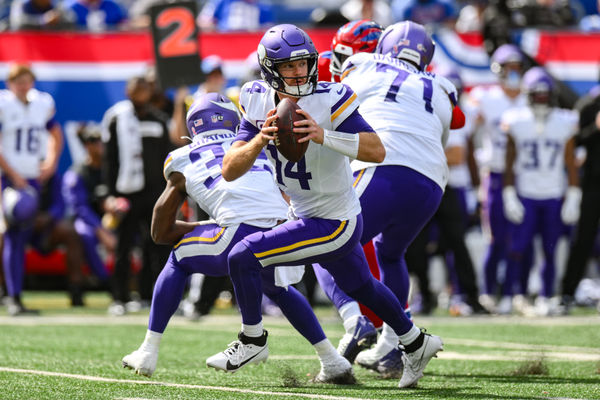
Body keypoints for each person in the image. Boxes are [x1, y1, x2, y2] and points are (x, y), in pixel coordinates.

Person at [207, 24, 443, 389]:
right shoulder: (254, 96)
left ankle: (253, 340)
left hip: (335, 219)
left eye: (304, 63)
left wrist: (324, 135)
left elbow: (376, 150)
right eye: (289, 66)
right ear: (270, 68)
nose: (300, 72)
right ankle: (415, 341)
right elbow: (229, 168)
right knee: (361, 285)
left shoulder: (332, 96)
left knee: (242, 256)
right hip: (305, 211)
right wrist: (260, 139)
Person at [122, 93, 354, 383]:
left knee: (179, 257)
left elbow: (160, 230)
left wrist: (199, 225)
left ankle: (148, 350)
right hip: (281, 229)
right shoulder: (253, 145)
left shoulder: (180, 158)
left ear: (193, 127)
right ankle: (332, 360)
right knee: (276, 286)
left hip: (237, 233)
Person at [333, 21, 461, 374]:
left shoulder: (364, 65)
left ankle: (353, 320)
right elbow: (442, 135)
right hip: (430, 183)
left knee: (324, 241)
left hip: (384, 166)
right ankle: (392, 347)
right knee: (391, 254)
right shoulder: (442, 87)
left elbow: (338, 105)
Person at [502, 67, 579, 316]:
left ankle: (546, 295)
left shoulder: (564, 122)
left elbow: (570, 162)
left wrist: (573, 195)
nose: (542, 99)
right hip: (526, 193)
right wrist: (509, 193)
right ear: (528, 95)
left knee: (550, 249)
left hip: (553, 194)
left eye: (545, 95)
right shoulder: (516, 120)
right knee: (519, 248)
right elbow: (509, 162)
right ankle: (517, 294)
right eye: (538, 95)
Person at [467, 44, 530, 314]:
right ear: (499, 70)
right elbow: (467, 132)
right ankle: (489, 292)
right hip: (494, 173)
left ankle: (518, 292)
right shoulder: (486, 98)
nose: (513, 73)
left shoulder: (530, 97)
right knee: (495, 237)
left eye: (517, 68)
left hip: (523, 175)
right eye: (509, 68)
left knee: (523, 238)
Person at [101, 76, 172, 315]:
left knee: (157, 245)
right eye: (136, 89)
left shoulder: (159, 120)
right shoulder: (116, 118)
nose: (140, 93)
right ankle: (119, 297)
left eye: (144, 89)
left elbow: (167, 159)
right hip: (126, 194)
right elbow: (109, 160)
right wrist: (110, 194)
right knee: (124, 246)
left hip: (154, 194)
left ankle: (153, 296)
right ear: (128, 91)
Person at [0, 63, 63, 315]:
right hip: (8, 178)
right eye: (18, 81)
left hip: (31, 178)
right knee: (14, 234)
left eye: (26, 81)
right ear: (9, 84)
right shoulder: (4, 104)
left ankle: (14, 295)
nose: (22, 86)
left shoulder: (41, 103)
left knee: (21, 234)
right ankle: (13, 296)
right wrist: (13, 175)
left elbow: (55, 132)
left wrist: (51, 162)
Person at [559, 84, 600, 312]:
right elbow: (576, 143)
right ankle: (568, 291)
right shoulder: (588, 105)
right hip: (593, 182)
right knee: (583, 239)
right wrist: (596, 127)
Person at [62, 123, 116, 286]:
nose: (99, 145)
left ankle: (129, 281)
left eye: (101, 141)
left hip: (111, 219)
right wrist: (101, 230)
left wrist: (116, 206)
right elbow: (79, 208)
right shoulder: (76, 173)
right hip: (87, 222)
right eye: (94, 141)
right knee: (85, 233)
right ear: (86, 145)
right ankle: (106, 280)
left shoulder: (111, 170)